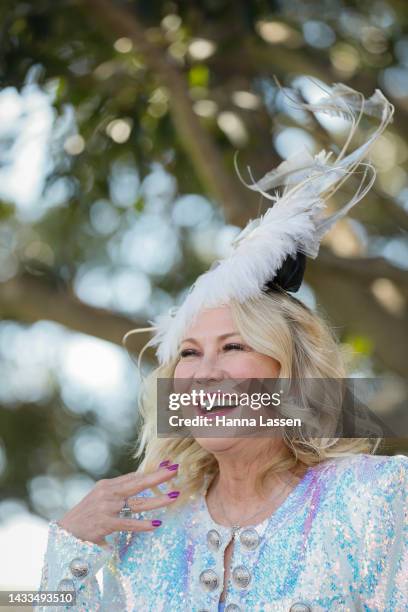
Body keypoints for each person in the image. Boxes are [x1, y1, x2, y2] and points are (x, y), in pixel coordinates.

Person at [35, 79, 407, 612]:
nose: (205, 372)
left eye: (233, 348)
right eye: (188, 354)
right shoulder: (141, 531)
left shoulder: (376, 498)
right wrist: (69, 546)